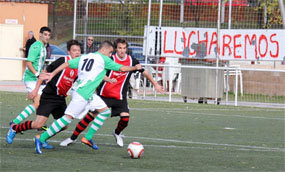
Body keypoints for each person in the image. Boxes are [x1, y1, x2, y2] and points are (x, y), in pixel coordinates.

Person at [34, 41, 142, 154]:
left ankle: (88, 137)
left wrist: (52, 73)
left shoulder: (86, 56)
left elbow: (67, 63)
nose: (111, 55)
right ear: (105, 49)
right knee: (67, 119)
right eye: (110, 52)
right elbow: (123, 69)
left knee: (104, 112)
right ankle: (41, 138)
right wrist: (135, 67)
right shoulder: (104, 59)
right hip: (83, 94)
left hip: (87, 93)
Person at [60, 38, 164, 148]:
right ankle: (72, 138)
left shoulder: (131, 60)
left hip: (120, 95)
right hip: (105, 94)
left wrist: (155, 84)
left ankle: (117, 133)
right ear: (115, 49)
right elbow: (98, 72)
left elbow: (144, 72)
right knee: (90, 116)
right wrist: (107, 79)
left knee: (125, 118)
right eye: (119, 48)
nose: (122, 51)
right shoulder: (109, 58)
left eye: (124, 48)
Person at [6, 40, 81, 146]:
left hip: (60, 99)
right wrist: (36, 90)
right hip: (49, 96)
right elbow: (44, 74)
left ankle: (41, 138)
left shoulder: (79, 66)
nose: (77, 53)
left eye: (78, 50)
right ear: (68, 52)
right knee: (38, 124)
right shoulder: (62, 61)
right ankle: (15, 128)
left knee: (64, 125)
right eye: (74, 50)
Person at [6, 27, 51, 139]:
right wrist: (37, 74)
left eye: (49, 35)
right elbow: (28, 62)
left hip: (37, 79)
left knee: (41, 102)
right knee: (37, 103)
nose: (47, 37)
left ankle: (38, 124)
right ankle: (14, 123)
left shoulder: (44, 47)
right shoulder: (36, 46)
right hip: (31, 78)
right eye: (45, 34)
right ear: (40, 35)